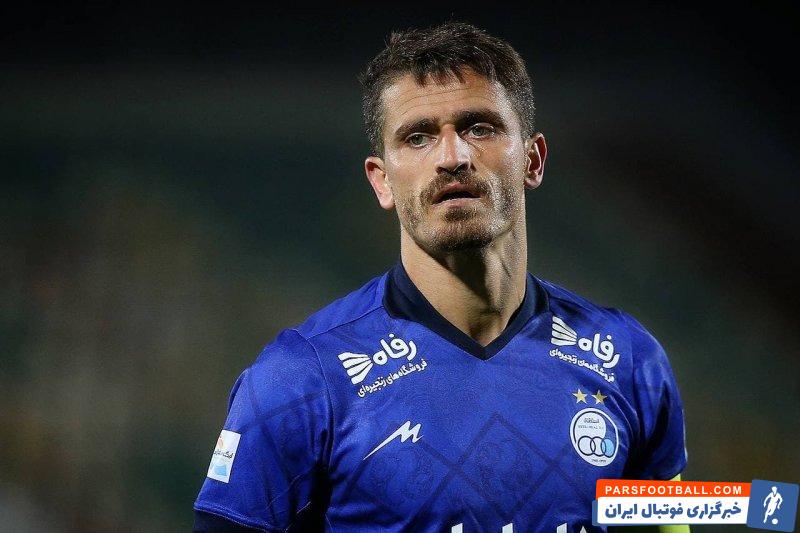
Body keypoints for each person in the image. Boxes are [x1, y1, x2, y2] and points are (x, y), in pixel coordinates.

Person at [193, 21, 688, 532]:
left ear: (533, 160)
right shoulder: (298, 380)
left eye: (480, 128)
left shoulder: (632, 359)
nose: (452, 157)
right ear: (382, 182)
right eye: (418, 137)